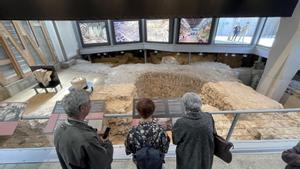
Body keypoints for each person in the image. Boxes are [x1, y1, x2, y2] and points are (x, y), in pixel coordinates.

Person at [54, 90, 113, 169]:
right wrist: (106, 142)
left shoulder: (59, 128)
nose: (90, 105)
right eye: (89, 102)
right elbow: (104, 162)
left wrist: (93, 134)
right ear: (82, 108)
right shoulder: (87, 139)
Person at [172, 92, 216, 169]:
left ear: (185, 106)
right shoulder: (208, 117)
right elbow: (213, 134)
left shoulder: (181, 122)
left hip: (187, 161)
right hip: (205, 159)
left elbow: (175, 140)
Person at [125, 98, 170, 169]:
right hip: (156, 163)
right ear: (153, 111)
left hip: (141, 164)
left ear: (138, 112)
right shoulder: (160, 130)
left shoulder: (132, 131)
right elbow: (165, 149)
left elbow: (128, 150)